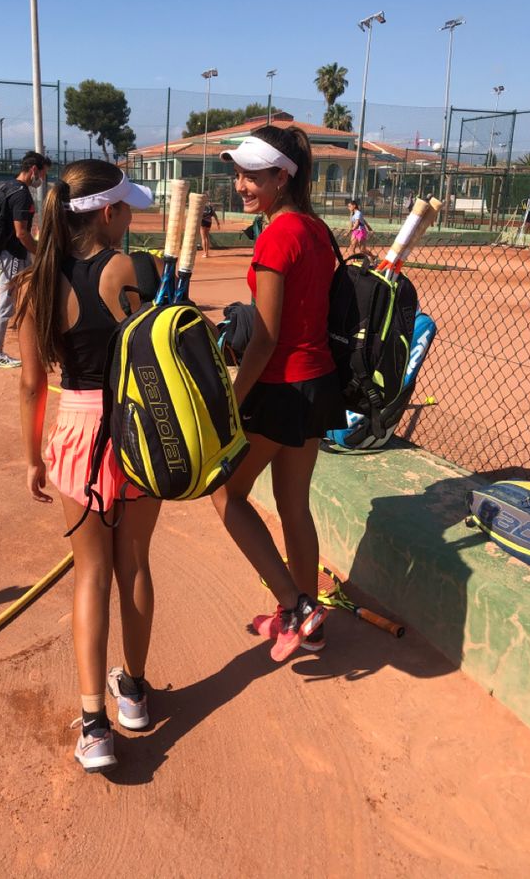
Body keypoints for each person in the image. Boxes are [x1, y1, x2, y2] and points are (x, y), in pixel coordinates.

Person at [15, 159, 161, 773]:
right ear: (108, 213)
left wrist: (32, 459)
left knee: (90, 576)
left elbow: (30, 384)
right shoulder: (133, 269)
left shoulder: (34, 284)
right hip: (136, 429)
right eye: (127, 206)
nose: (131, 216)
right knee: (135, 563)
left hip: (76, 435)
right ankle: (133, 691)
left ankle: (95, 724)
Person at [210, 127, 347, 662]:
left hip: (280, 386)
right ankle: (307, 616)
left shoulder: (276, 235)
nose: (241, 184)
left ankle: (295, 607)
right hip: (317, 383)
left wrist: (231, 399)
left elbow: (264, 338)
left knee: (227, 496)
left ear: (281, 176)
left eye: (252, 175)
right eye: (239, 174)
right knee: (293, 505)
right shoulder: (315, 228)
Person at [0, 151, 50, 370]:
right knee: (6, 303)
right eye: (42, 173)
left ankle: (40, 342)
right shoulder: (21, 193)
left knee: (33, 293)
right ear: (34, 169)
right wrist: (39, 252)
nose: (42, 179)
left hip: (11, 253)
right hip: (13, 254)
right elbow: (21, 233)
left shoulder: (7, 186)